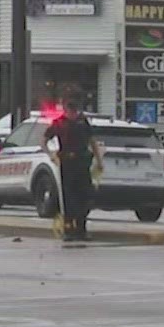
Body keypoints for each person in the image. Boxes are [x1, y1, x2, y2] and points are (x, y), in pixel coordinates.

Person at [43, 91, 99, 243]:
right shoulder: (59, 123)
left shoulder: (83, 122)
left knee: (85, 196)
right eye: (70, 109)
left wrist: (99, 160)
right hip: (67, 163)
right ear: (66, 109)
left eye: (74, 110)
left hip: (82, 163)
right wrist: (51, 155)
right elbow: (44, 140)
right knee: (68, 198)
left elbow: (92, 141)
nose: (73, 113)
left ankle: (81, 229)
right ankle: (69, 230)